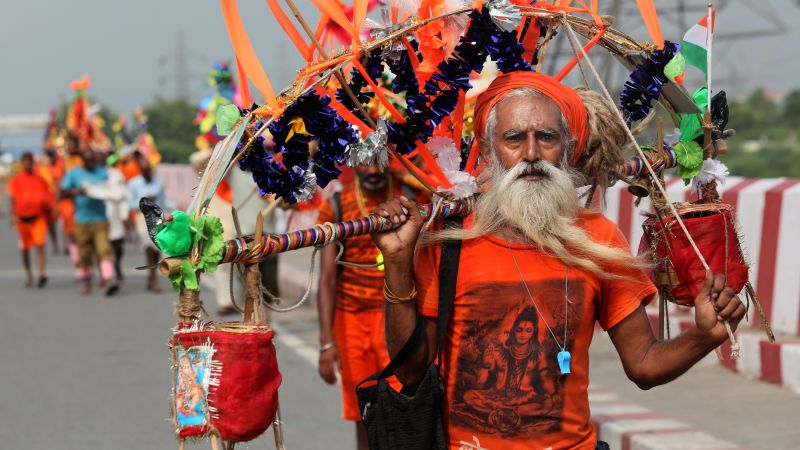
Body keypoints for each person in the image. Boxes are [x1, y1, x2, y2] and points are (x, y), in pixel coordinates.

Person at [371, 72, 747, 450]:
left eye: (546, 138)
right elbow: (410, 371)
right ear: (488, 150)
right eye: (514, 138)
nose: (531, 154)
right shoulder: (447, 240)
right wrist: (399, 261)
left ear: (567, 148)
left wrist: (703, 336)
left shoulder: (598, 237)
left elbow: (644, 365)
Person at [316, 165, 422, 450]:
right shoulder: (336, 206)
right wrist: (326, 343)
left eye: (379, 159)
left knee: (408, 408)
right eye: (365, 161)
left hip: (403, 318)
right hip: (352, 322)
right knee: (365, 414)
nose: (374, 169)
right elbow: (326, 278)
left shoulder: (411, 195)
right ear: (352, 163)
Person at [60, 149, 118, 296]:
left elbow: (111, 190)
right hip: (82, 219)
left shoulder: (102, 172)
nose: (91, 163)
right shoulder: (74, 173)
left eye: (93, 160)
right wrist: (75, 192)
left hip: (100, 219)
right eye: (88, 160)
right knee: (85, 253)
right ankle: (87, 282)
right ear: (83, 161)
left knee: (103, 250)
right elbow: (62, 193)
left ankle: (108, 280)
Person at [7, 152, 53, 288]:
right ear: (22, 163)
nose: (27, 163)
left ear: (33, 162)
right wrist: (12, 215)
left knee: (40, 245)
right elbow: (12, 198)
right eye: (25, 161)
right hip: (22, 219)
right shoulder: (16, 180)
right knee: (24, 249)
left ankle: (41, 273)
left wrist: (50, 211)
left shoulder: (40, 178)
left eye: (29, 160)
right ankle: (28, 274)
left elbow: (48, 196)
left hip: (38, 218)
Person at [128, 156, 168, 292]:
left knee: (156, 247)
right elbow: (131, 204)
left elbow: (163, 202)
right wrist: (144, 200)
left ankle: (152, 274)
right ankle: (153, 276)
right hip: (142, 216)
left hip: (157, 215)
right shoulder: (134, 183)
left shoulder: (159, 182)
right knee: (148, 244)